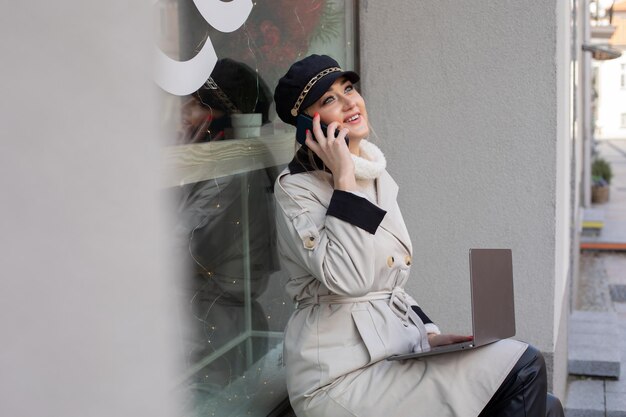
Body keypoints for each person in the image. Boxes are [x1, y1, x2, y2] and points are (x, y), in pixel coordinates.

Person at [272, 54, 564, 417]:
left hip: (393, 357)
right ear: (307, 125)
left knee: (548, 406)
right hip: (339, 377)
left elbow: (392, 281)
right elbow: (351, 278)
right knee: (526, 365)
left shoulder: (377, 179)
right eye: (329, 99)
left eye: (348, 89)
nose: (350, 102)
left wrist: (428, 334)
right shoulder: (296, 189)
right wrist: (343, 179)